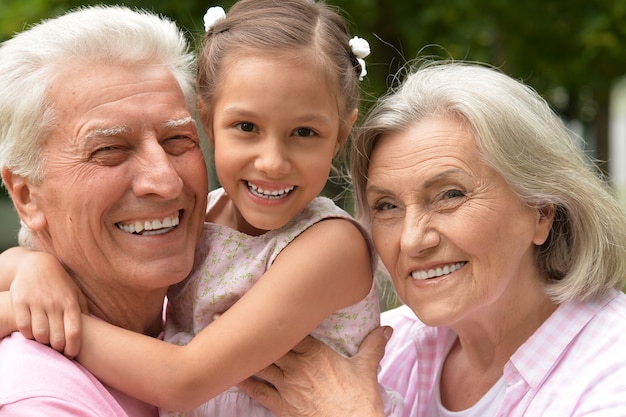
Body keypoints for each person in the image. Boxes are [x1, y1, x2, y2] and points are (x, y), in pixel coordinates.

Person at [2, 1, 403, 416]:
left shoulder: (329, 244)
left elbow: (183, 380)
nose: (272, 162)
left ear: (341, 132)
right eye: (247, 127)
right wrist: (31, 267)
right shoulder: (202, 218)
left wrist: (26, 313)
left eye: (305, 132)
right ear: (208, 120)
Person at [237, 61, 626, 416]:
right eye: (387, 206)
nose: (411, 240)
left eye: (450, 195)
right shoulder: (382, 346)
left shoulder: (610, 371)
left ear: (541, 211)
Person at [0, 5, 208, 415]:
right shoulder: (41, 402)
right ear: (26, 196)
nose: (165, 181)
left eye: (178, 139)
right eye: (109, 149)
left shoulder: (210, 312)